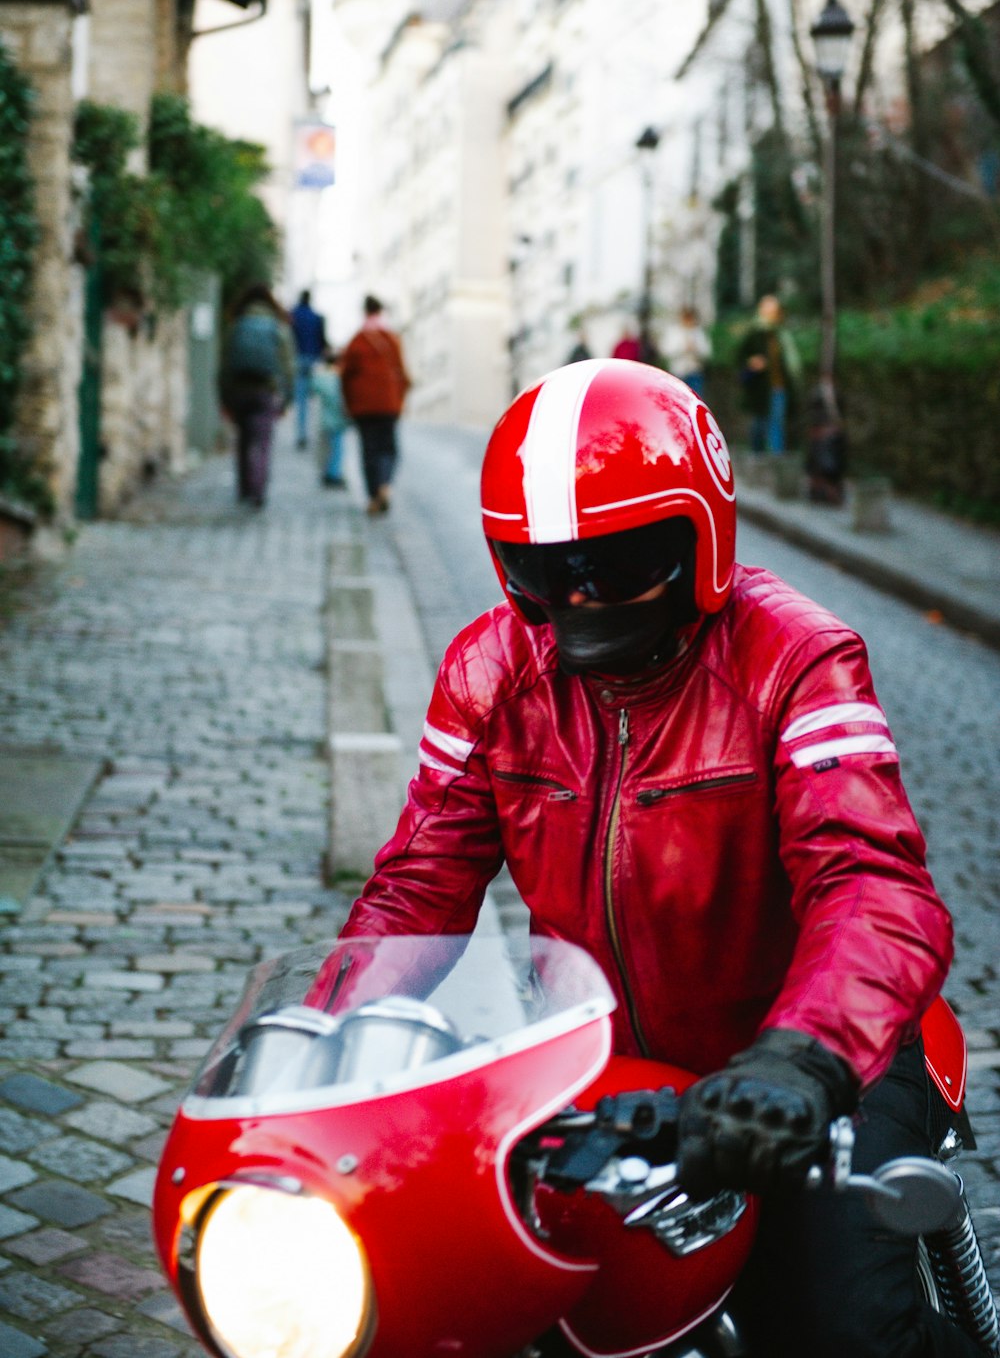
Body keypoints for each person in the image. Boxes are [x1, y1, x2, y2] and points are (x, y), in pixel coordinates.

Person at [309, 359, 973, 1358]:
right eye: (541, 570)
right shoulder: (489, 671)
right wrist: (330, 1053)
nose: (576, 598)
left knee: (844, 1329)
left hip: (820, 1054)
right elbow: (418, 887)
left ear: (698, 538)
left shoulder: (796, 659)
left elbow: (872, 885)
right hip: (603, 1068)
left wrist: (800, 1063)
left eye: (615, 565)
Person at [218, 283, 294, 508]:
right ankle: (258, 490)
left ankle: (244, 489)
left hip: (239, 390)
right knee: (261, 442)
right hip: (265, 390)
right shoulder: (277, 326)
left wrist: (224, 397)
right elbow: (288, 366)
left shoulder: (237, 324)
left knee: (242, 440)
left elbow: (224, 365)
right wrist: (287, 399)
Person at [340, 294, 411, 516]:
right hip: (388, 405)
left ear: (364, 312)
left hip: (363, 407)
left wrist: (349, 403)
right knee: (389, 449)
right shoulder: (391, 340)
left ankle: (373, 496)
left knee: (368, 451)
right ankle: (385, 486)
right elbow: (403, 374)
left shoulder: (357, 341)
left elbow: (344, 376)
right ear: (381, 312)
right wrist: (399, 400)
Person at [738, 294, 801, 454]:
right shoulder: (754, 333)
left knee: (777, 423)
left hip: (779, 385)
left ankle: (776, 460)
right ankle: (757, 458)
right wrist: (751, 363)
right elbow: (739, 357)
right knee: (759, 423)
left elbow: (789, 363)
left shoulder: (781, 335)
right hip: (760, 388)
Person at [289, 290, 327, 449]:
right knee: (315, 399)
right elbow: (322, 340)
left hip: (297, 359)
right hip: (313, 360)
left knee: (300, 401)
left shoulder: (292, 315)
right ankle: (315, 434)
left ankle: (301, 434)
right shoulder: (317, 317)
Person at [310, 348, 350, 489]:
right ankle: (333, 474)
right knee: (337, 449)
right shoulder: (338, 378)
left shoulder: (321, 377)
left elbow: (314, 389)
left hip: (325, 420)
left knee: (326, 448)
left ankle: (328, 472)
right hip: (337, 420)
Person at [662, 304, 711, 398]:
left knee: (695, 398)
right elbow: (666, 351)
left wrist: (696, 349)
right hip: (678, 371)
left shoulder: (698, 333)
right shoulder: (674, 332)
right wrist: (682, 348)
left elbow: (706, 353)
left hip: (694, 371)